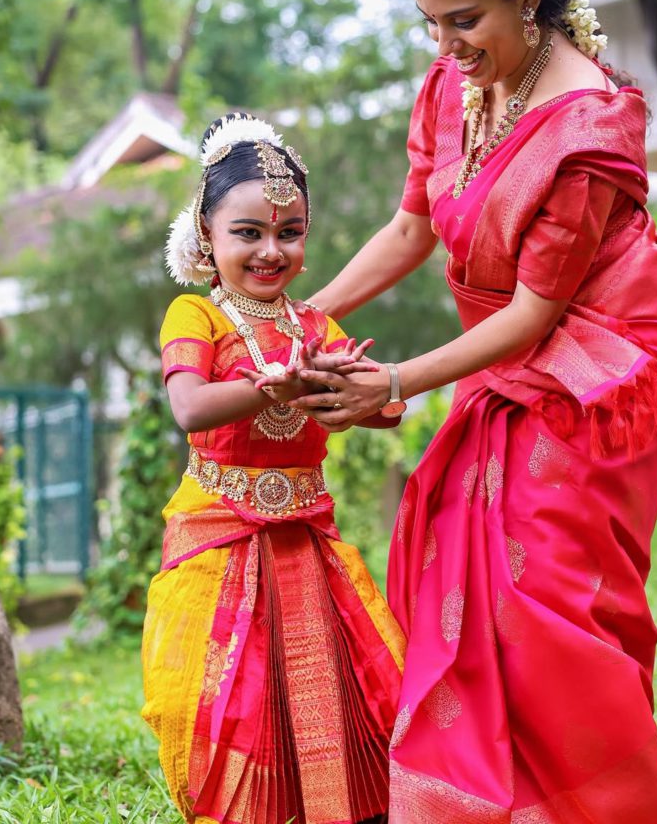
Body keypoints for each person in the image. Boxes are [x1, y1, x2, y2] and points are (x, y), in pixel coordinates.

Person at [277, 0, 657, 824]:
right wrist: (310, 315)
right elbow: (410, 227)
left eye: (463, 20)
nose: (444, 47)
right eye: (429, 24)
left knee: (538, 590)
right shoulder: (452, 88)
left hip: (602, 365)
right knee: (465, 577)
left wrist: (395, 379)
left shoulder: (588, 127)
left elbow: (536, 314)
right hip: (506, 351)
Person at [141, 112, 405, 824]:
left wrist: (346, 388)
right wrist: (275, 385)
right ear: (207, 234)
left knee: (349, 701)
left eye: (289, 233)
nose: (270, 251)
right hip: (220, 538)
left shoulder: (316, 327)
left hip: (306, 540)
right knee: (224, 705)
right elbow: (190, 408)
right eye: (248, 233)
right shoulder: (195, 314)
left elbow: (382, 412)